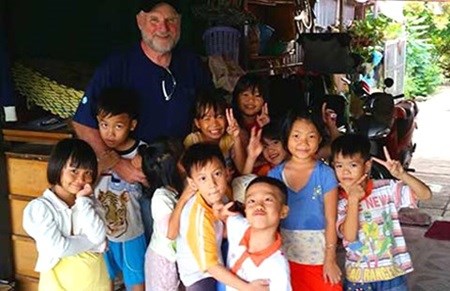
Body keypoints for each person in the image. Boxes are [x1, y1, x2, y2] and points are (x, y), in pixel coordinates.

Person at [72, 0, 212, 184]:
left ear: (179, 23)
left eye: (171, 20)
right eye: (154, 20)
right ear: (140, 21)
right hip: (133, 177)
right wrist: (118, 164)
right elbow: (83, 123)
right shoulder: (116, 66)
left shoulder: (192, 64)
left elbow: (210, 114)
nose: (163, 28)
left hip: (182, 174)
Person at [331, 134, 432, 291]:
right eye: (339, 166)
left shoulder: (386, 188)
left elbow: (425, 195)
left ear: (367, 165)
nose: (345, 172)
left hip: (392, 273)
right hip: (359, 277)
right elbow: (349, 236)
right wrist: (352, 200)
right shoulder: (338, 200)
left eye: (352, 165)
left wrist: (402, 175)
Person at [176, 143, 270, 291]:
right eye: (203, 178)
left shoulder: (224, 193)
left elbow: (224, 232)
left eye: (217, 174)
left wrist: (223, 220)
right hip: (199, 275)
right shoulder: (198, 218)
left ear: (227, 173)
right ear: (192, 183)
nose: (212, 184)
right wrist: (247, 288)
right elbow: (211, 267)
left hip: (217, 253)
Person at [268, 110, 343, 291]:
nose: (303, 143)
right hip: (284, 256)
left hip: (319, 257)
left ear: (319, 140)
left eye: (311, 136)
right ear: (286, 138)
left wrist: (330, 259)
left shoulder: (325, 174)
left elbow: (331, 219)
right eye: (296, 136)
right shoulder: (274, 175)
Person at [22, 138, 109, 291]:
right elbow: (58, 249)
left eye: (87, 173)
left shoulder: (90, 204)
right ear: (58, 167)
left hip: (95, 281)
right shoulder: (40, 208)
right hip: (57, 284)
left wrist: (82, 201)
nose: (81, 180)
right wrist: (92, 242)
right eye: (74, 171)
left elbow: (98, 236)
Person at [93, 87, 146, 291]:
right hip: (102, 233)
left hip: (132, 232)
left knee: (136, 281)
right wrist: (101, 166)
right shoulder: (96, 154)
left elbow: (157, 186)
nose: (109, 133)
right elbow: (84, 185)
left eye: (118, 126)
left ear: (132, 125)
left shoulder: (141, 151)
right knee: (108, 279)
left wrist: (144, 169)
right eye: (104, 125)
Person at [218, 176, 292, 291]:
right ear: (246, 209)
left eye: (268, 199)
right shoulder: (238, 226)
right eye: (252, 201)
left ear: (283, 211)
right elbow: (223, 218)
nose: (258, 206)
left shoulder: (278, 268)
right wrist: (220, 214)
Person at [139, 139, 185, 290]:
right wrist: (185, 198)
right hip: (163, 261)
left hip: (172, 258)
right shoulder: (160, 197)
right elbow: (170, 233)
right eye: (181, 160)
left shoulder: (175, 190)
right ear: (170, 167)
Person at [183, 91, 246, 176]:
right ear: (197, 123)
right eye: (207, 118)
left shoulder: (228, 139)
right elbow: (184, 169)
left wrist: (236, 138)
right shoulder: (193, 140)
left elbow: (242, 169)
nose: (214, 124)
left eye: (219, 117)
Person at [231, 73, 270, 143]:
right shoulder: (229, 125)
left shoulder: (271, 125)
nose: (251, 100)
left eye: (257, 95)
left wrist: (266, 128)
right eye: (245, 95)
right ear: (236, 97)